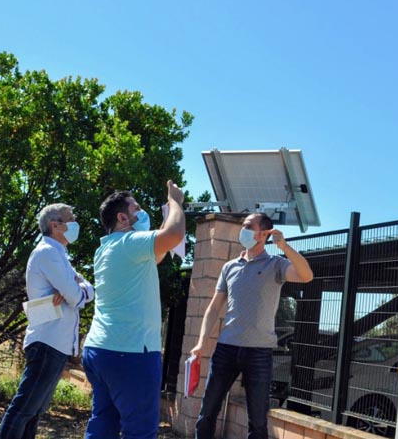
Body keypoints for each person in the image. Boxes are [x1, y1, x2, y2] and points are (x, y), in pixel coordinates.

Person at [191, 213, 314, 439]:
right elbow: (213, 307)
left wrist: (284, 246)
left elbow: (306, 276)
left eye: (248, 226)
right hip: (226, 349)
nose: (243, 230)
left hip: (259, 352)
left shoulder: (276, 264)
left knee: (257, 421)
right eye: (243, 226)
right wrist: (200, 343)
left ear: (263, 233)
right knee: (207, 413)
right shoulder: (229, 267)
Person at [82, 180, 186, 439]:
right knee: (140, 432)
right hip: (130, 354)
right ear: (122, 217)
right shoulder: (130, 244)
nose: (141, 212)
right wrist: (175, 202)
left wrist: (163, 225)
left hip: (100, 350)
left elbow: (159, 252)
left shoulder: (107, 248)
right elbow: (174, 236)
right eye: (136, 208)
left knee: (103, 424)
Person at [0, 203, 94, 439]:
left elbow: (87, 290)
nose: (75, 224)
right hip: (47, 343)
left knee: (33, 412)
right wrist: (77, 289)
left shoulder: (59, 255)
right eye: (70, 219)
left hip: (55, 344)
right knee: (23, 410)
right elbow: (75, 296)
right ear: (55, 225)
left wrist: (79, 288)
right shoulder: (48, 253)